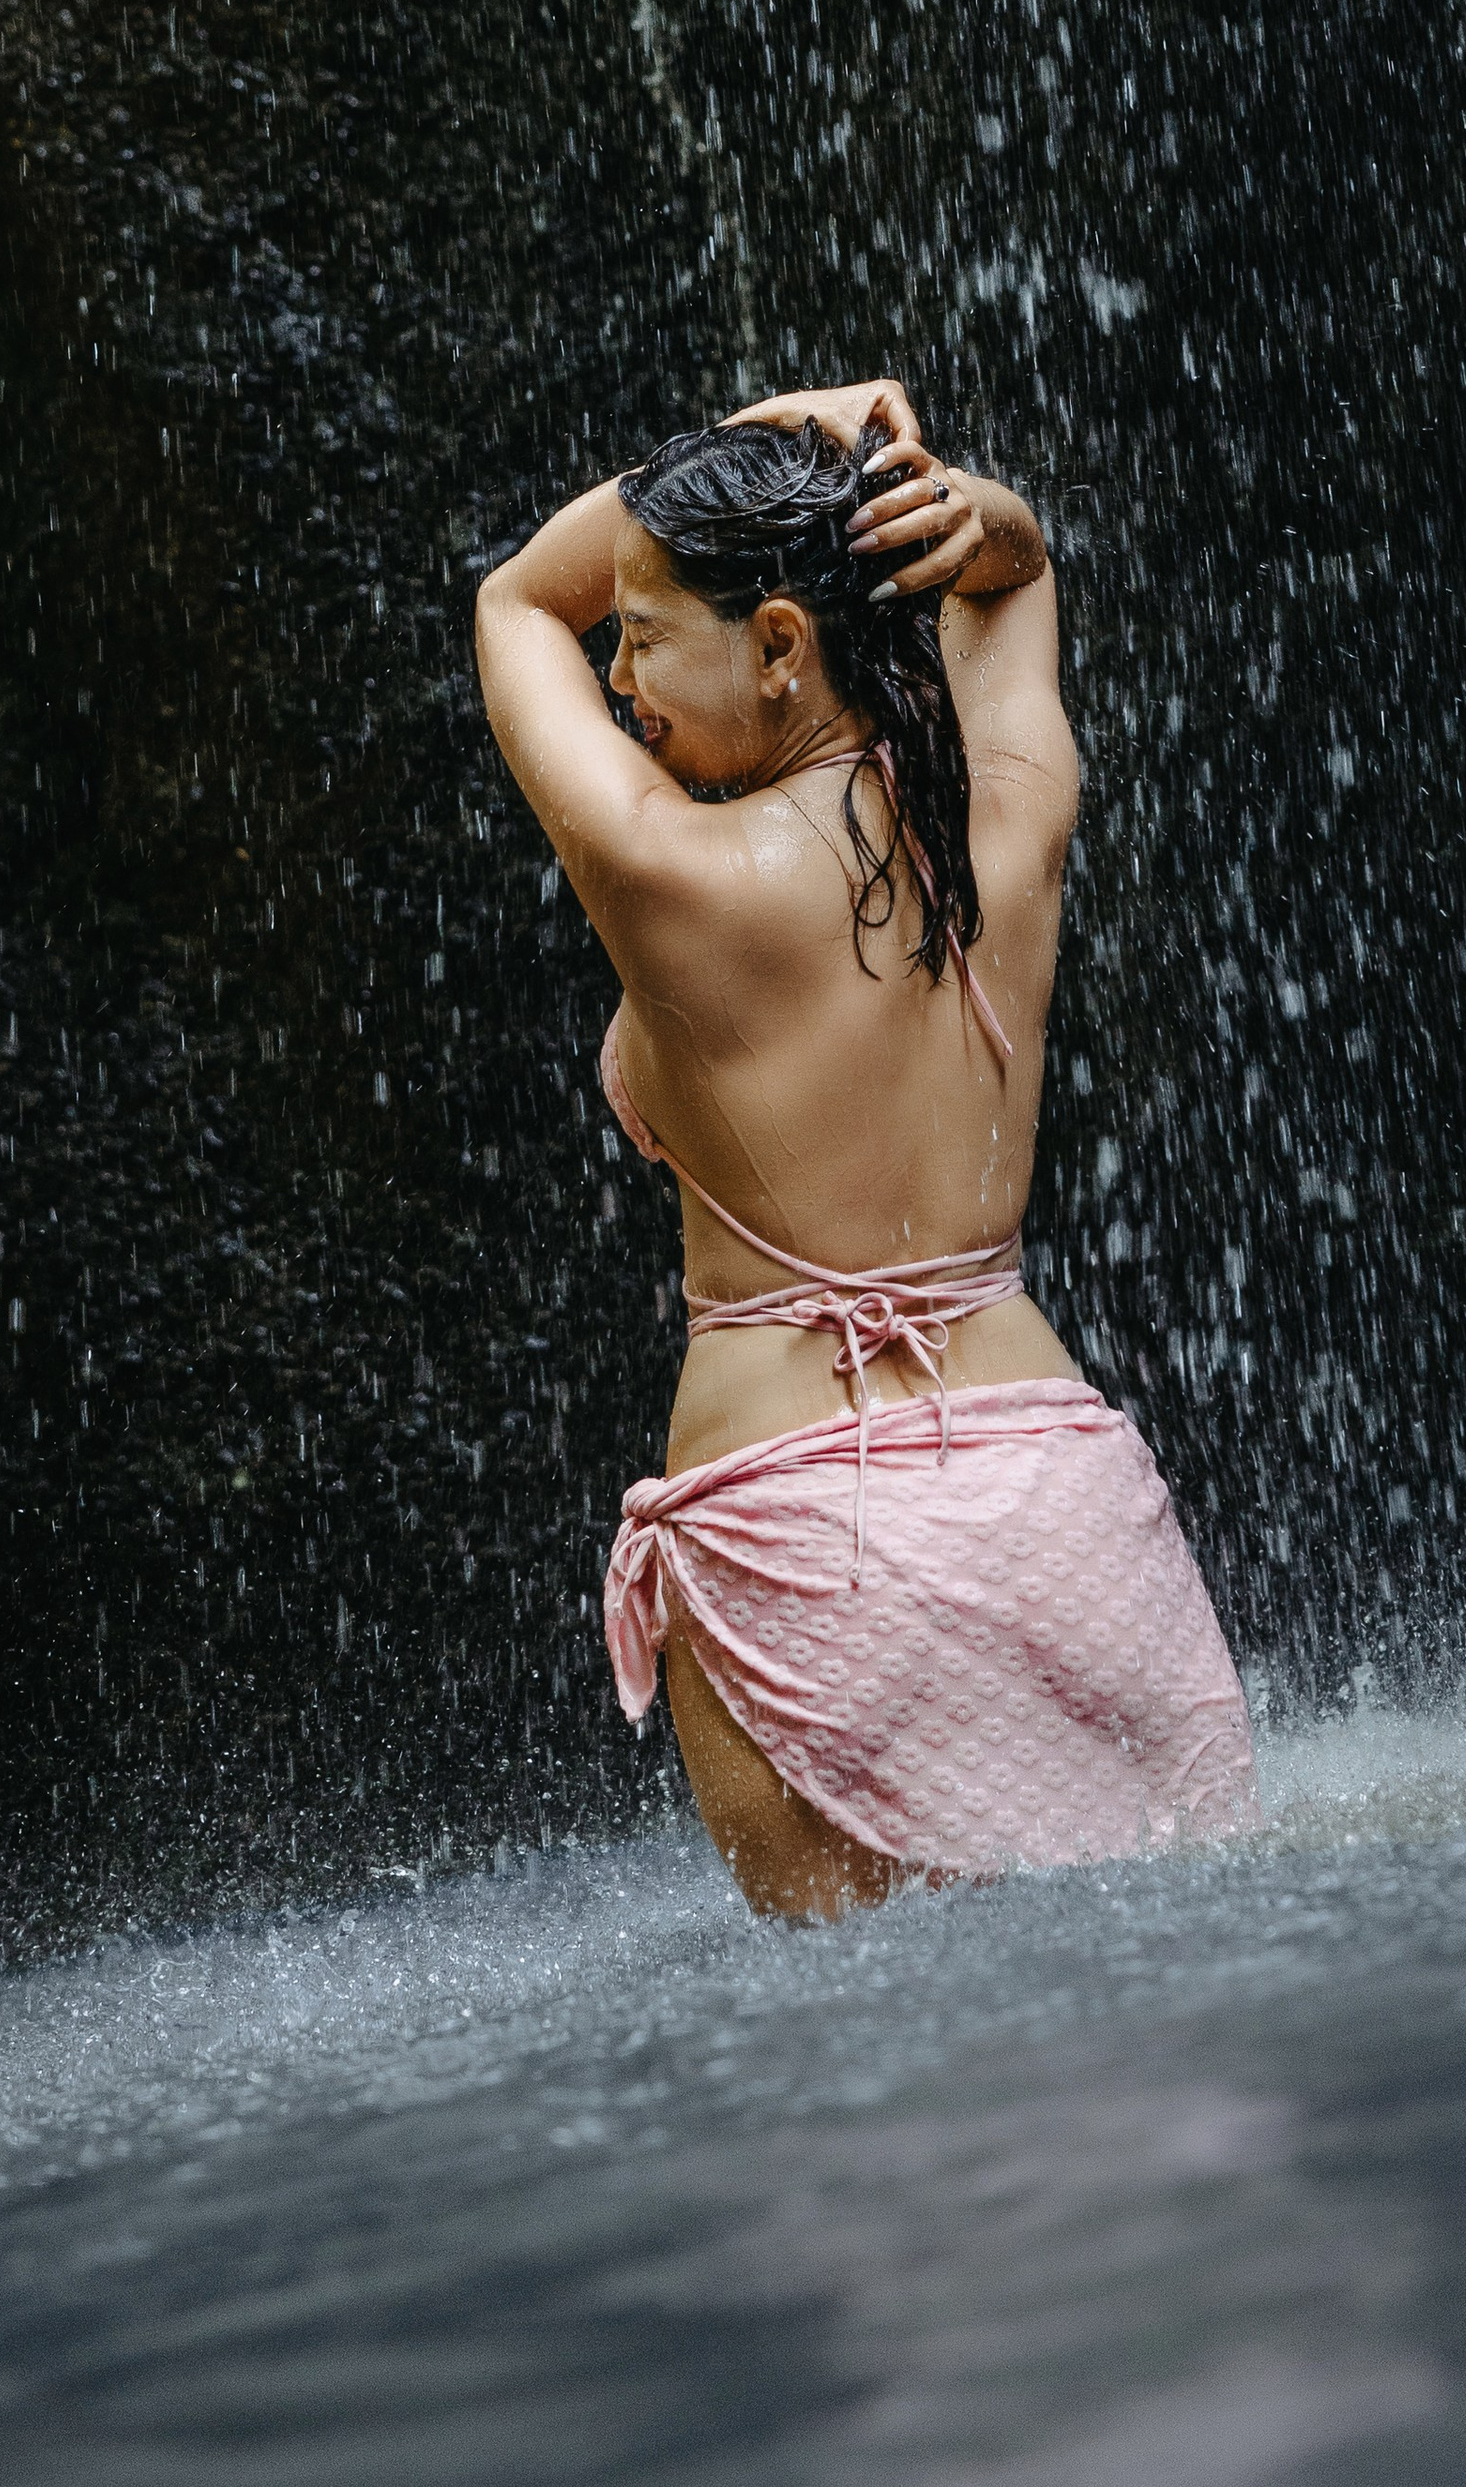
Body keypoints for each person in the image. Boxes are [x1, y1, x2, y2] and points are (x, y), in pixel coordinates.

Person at [474, 373, 1260, 1916]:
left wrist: (794, 415)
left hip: (800, 1528)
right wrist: (978, 513)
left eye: (643, 635)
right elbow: (1016, 576)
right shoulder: (1005, 828)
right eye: (619, 641)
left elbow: (514, 595)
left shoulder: (661, 868)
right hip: (1058, 1505)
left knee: (871, 2097)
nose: (622, 672)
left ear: (778, 641)